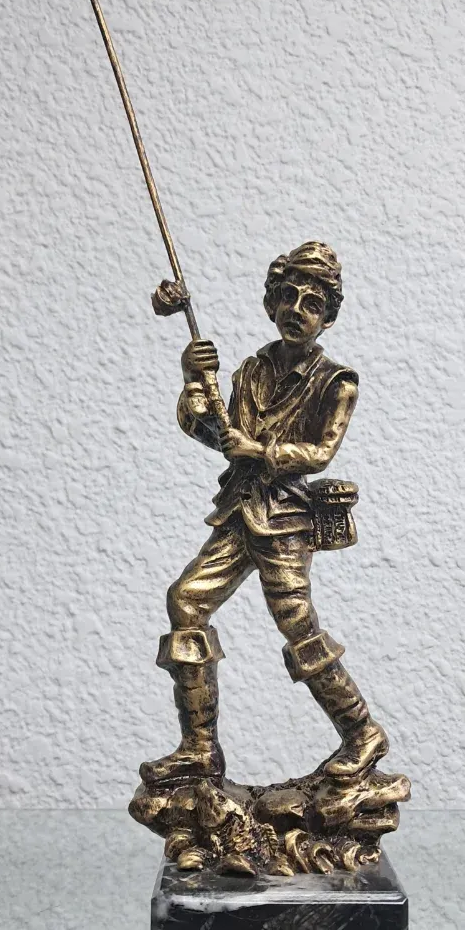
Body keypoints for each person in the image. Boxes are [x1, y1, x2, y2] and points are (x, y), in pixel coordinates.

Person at [140, 241, 388, 787]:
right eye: (289, 297)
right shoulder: (252, 370)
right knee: (186, 602)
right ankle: (200, 749)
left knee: (299, 626)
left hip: (284, 521)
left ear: (328, 317)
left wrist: (260, 451)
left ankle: (362, 732)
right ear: (272, 302)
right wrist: (192, 381)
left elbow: (320, 453)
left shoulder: (336, 382)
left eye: (313, 303)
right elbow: (219, 435)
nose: (297, 310)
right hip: (238, 511)